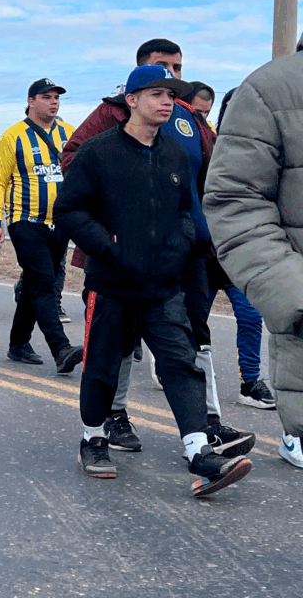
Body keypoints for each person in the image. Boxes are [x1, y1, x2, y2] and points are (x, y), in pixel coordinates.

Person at [54, 72, 252, 496]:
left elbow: (186, 209)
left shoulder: (174, 155)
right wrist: (106, 245)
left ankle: (199, 452)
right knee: (104, 366)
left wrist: (181, 245)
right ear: (132, 99)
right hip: (112, 284)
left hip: (165, 285)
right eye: (158, 95)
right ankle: (92, 439)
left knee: (181, 362)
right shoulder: (98, 152)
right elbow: (69, 210)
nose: (168, 102)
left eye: (171, 96)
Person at [204, 47, 303, 469]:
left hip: (233, 254)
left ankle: (249, 382)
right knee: (190, 331)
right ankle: (202, 420)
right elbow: (233, 199)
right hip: (208, 252)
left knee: (245, 318)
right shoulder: (267, 90)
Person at [0, 79, 82, 373]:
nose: (53, 102)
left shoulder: (70, 134)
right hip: (26, 222)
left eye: (56, 98)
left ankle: (18, 344)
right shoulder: (13, 137)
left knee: (34, 283)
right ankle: (61, 349)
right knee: (44, 284)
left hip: (61, 223)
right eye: (46, 97)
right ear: (31, 101)